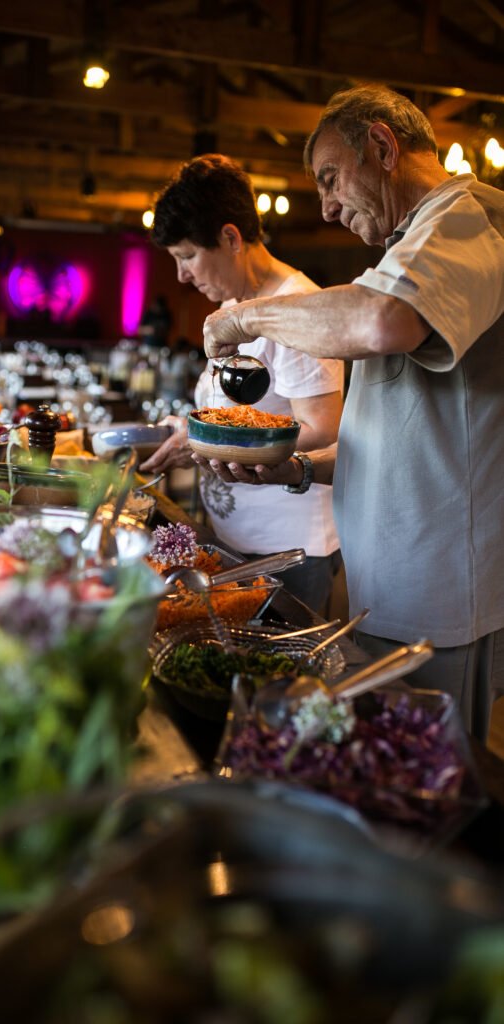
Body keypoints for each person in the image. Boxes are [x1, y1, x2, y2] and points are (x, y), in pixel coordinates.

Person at [200, 85, 504, 738]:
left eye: (330, 179)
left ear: (383, 146)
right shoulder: (408, 250)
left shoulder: (465, 216)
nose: (327, 207)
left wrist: (245, 318)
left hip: (436, 593)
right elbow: (395, 440)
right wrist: (298, 471)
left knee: (421, 777)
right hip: (389, 588)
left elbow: (379, 320)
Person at [140, 154, 344, 613]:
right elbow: (232, 410)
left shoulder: (297, 308)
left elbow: (323, 428)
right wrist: (191, 432)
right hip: (235, 536)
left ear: (230, 238)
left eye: (187, 256)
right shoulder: (233, 305)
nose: (181, 275)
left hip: (287, 546)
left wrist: (209, 443)